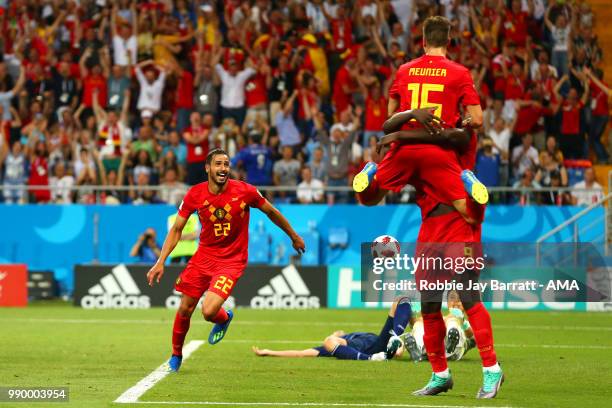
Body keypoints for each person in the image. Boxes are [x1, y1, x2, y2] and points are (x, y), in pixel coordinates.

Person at [353, 16, 502, 399]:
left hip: (457, 223)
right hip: (432, 223)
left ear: (421, 41)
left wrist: (403, 129)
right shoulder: (457, 97)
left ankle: (492, 369)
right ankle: (441, 374)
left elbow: (389, 124)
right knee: (431, 303)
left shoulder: (405, 74)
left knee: (466, 296)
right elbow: (473, 121)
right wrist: (438, 124)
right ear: (449, 40)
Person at [146, 149, 305, 373]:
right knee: (184, 308)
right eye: (218, 164)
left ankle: (223, 317)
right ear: (207, 168)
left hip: (231, 260)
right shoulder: (194, 194)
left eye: (226, 164)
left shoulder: (244, 191)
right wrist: (161, 260)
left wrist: (294, 235)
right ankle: (175, 355)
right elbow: (177, 229)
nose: (223, 168)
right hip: (203, 257)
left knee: (209, 311)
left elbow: (271, 212)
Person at [253, 298, 412, 361]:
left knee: (401, 300)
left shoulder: (349, 338)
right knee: (328, 342)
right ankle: (372, 359)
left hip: (383, 343)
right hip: (374, 350)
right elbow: (301, 352)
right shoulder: (340, 345)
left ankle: (400, 339)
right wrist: (270, 352)